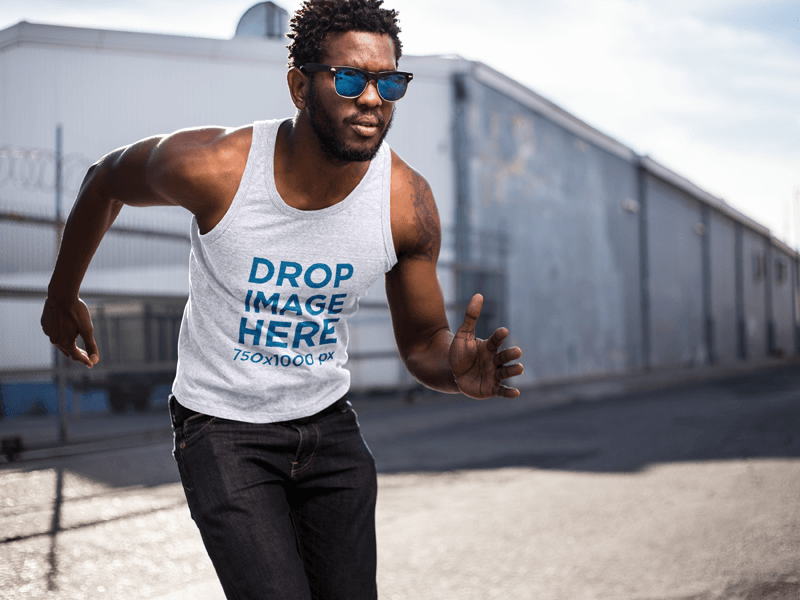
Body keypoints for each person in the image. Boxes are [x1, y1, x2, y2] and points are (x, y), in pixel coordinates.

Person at [41, 0, 524, 598]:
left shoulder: (406, 203)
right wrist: (63, 294)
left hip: (329, 427)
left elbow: (423, 343)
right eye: (350, 78)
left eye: (389, 81)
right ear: (300, 85)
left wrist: (452, 369)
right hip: (222, 426)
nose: (372, 98)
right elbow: (104, 179)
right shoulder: (214, 167)